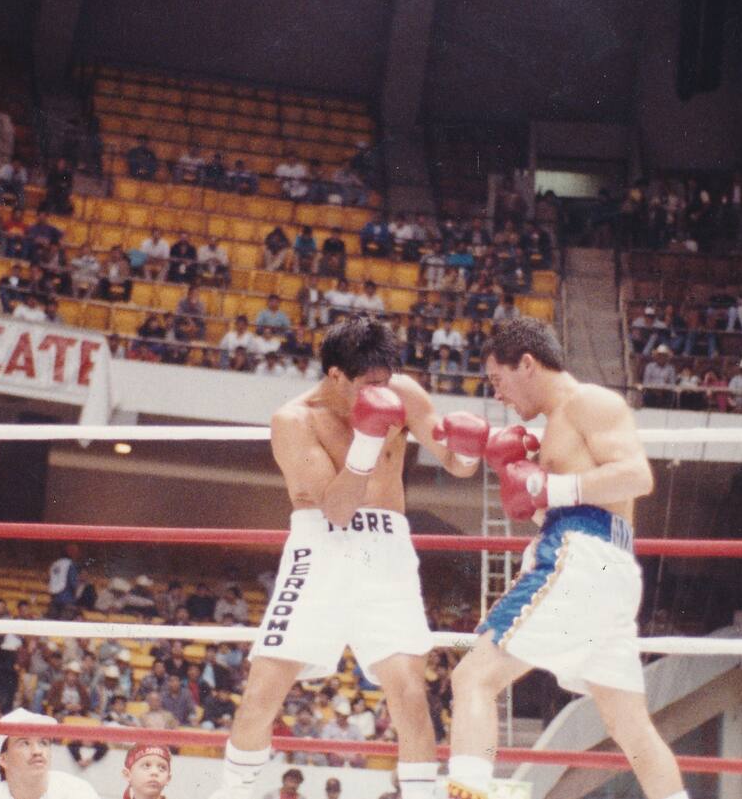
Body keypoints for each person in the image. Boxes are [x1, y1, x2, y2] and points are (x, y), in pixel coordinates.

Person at [208, 316, 487, 799]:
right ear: (336, 374)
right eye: (368, 384)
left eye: (385, 381)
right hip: (321, 549)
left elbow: (457, 466)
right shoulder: (294, 421)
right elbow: (336, 510)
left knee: (410, 694)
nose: (381, 393)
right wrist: (368, 439)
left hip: (388, 552)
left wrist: (472, 448)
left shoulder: (403, 393)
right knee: (262, 694)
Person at [445, 317, 688, 799]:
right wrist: (535, 492)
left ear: (528, 364)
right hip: (603, 564)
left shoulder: (588, 402)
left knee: (472, 676)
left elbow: (637, 477)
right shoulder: (556, 427)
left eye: (498, 380)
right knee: (629, 726)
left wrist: (546, 486)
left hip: (582, 558)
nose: (498, 396)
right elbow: (576, 500)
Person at [0, 708, 101, 798]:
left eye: (43, 742)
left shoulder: (78, 792)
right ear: (3, 759)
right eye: (25, 743)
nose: (37, 751)